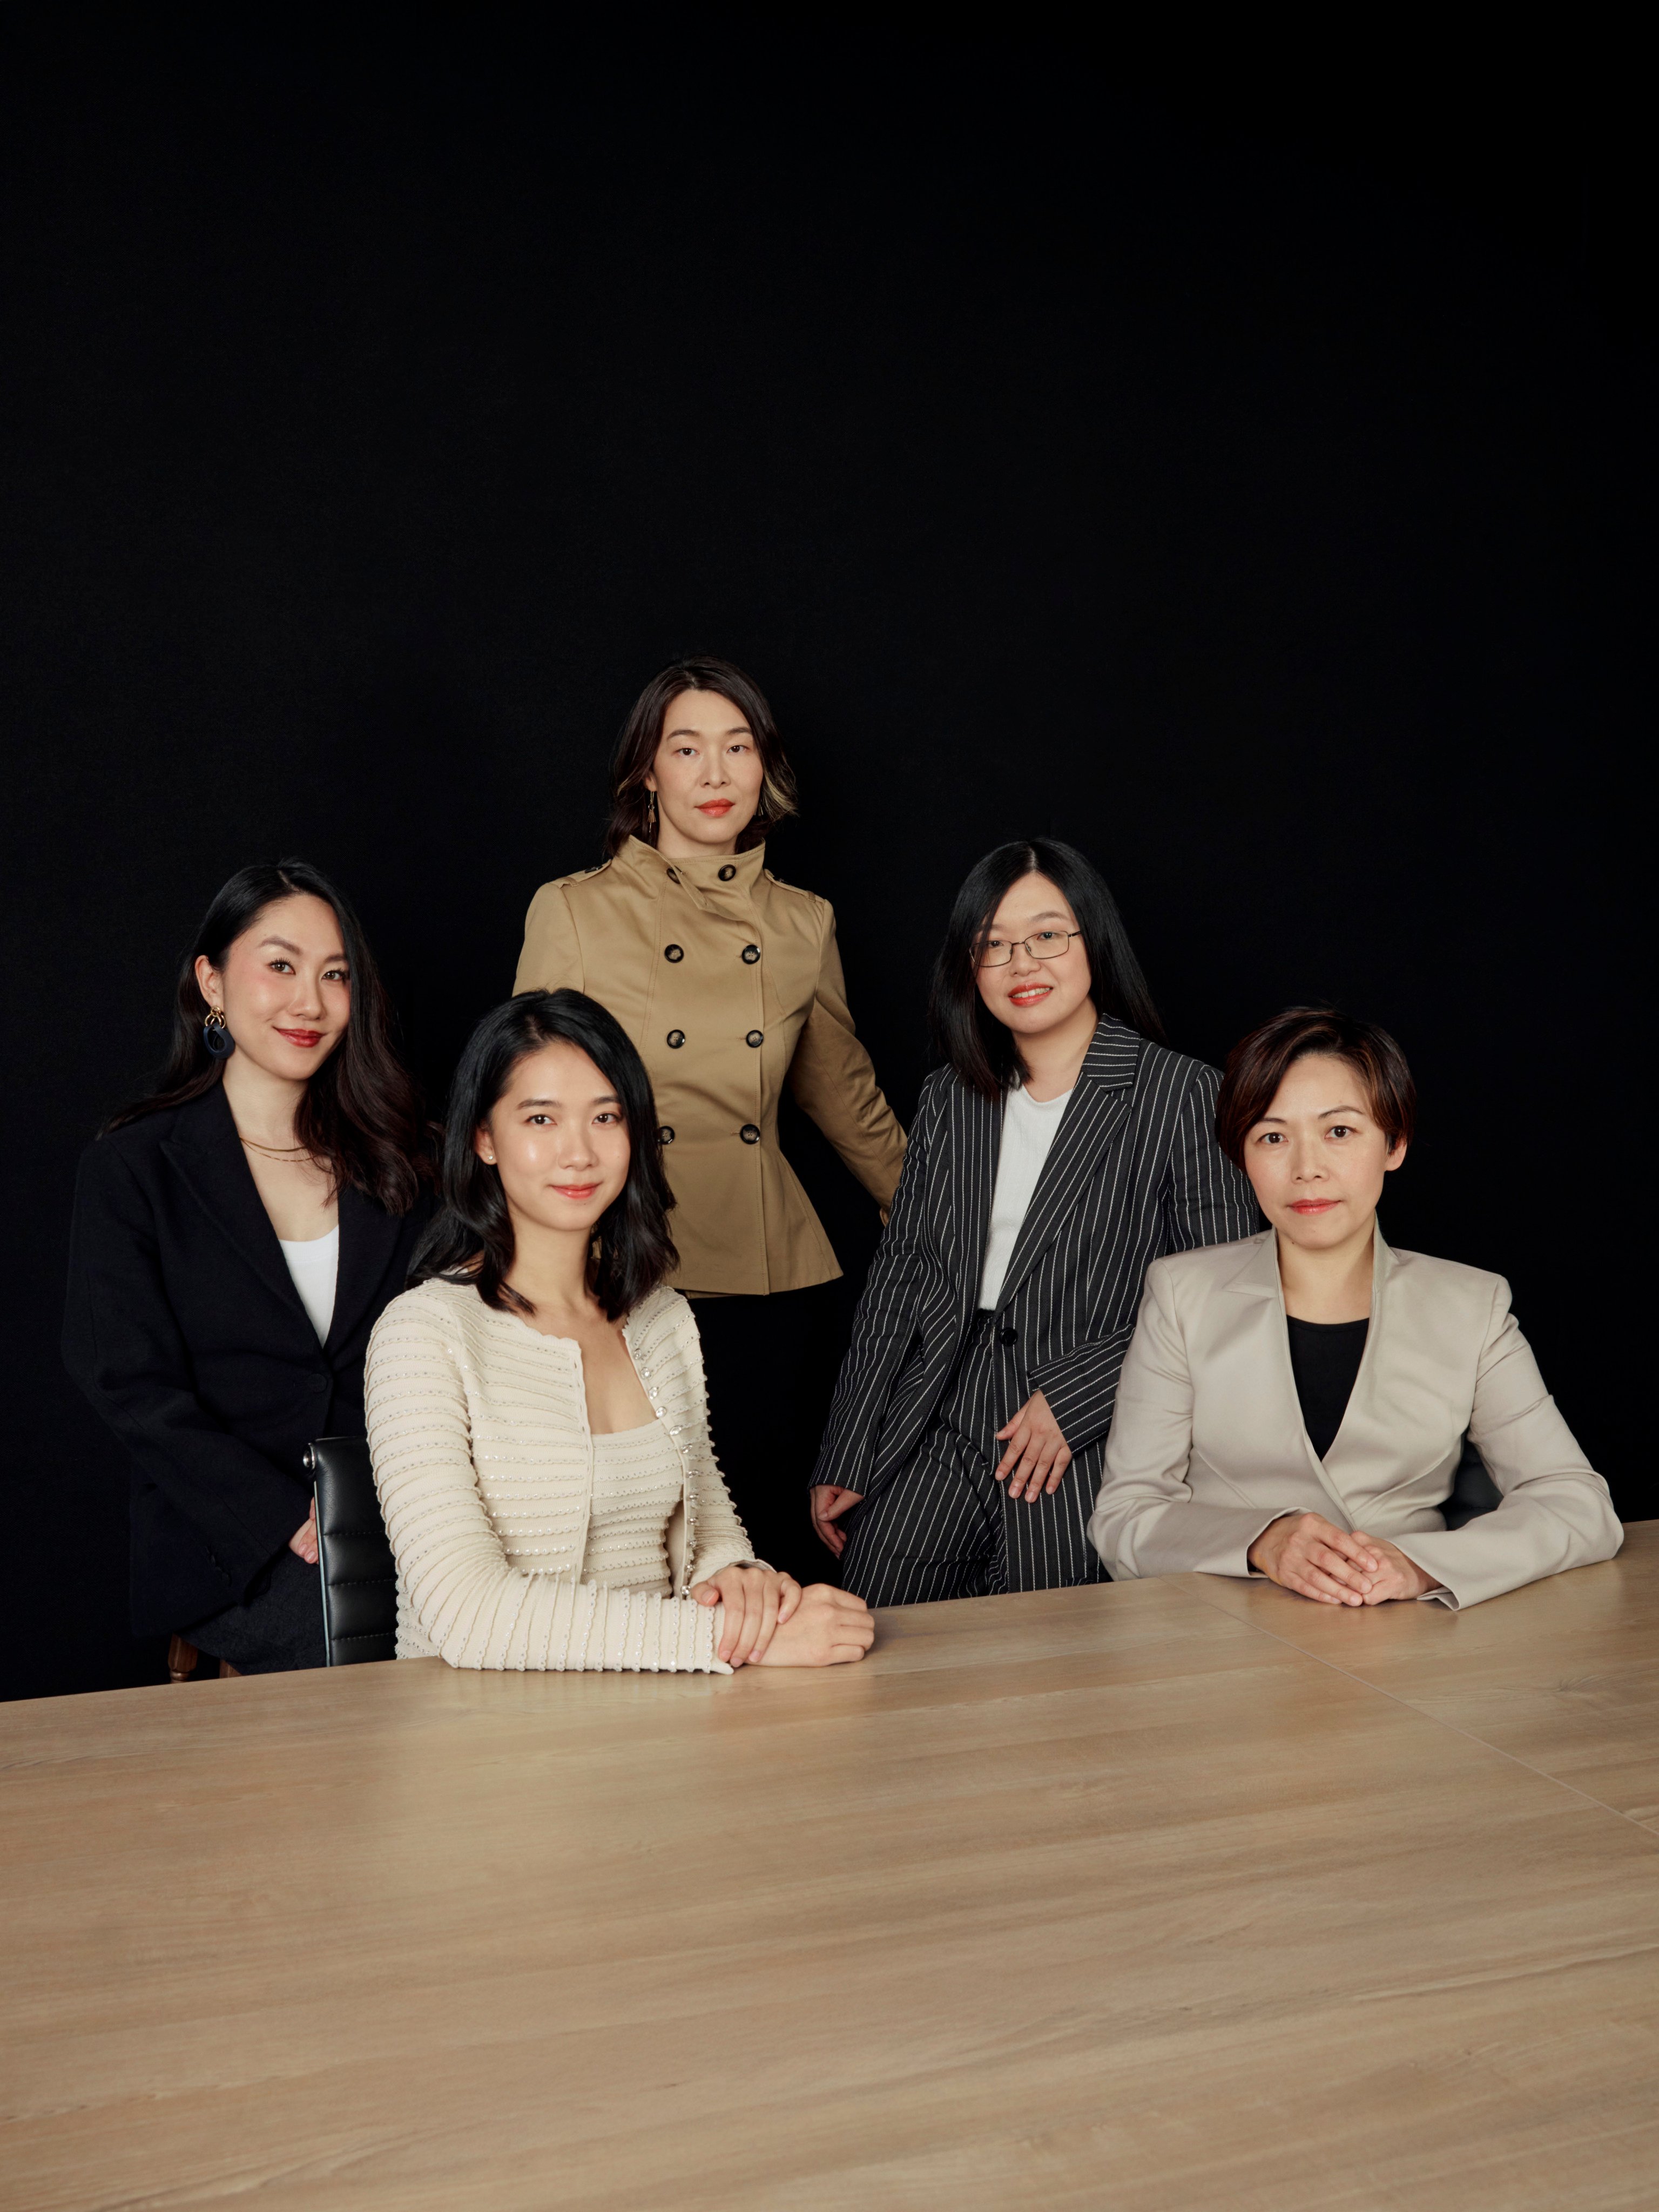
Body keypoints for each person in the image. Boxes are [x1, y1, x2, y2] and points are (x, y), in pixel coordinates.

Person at [512, 657, 905, 1580]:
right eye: (687, 749)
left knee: (762, 1542)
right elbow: (524, 1095)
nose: (717, 773)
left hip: (766, 1276)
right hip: (621, 1265)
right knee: (631, 1548)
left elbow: (841, 1093)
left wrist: (937, 1209)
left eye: (739, 748)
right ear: (647, 771)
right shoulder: (572, 911)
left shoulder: (804, 923)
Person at [364, 989, 875, 1673]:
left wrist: (743, 1580)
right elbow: (466, 1613)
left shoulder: (662, 1318)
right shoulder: (423, 1333)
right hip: (481, 1738)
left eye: (605, 1117)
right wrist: (724, 1640)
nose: (579, 1153)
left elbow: (707, 1529)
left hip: (658, 1709)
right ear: (484, 1137)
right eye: (541, 1118)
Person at [811, 838, 1259, 1603]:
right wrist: (849, 1450)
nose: (1023, 964)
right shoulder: (950, 1099)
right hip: (941, 1411)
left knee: (1051, 1665)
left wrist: (1078, 1396)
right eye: (993, 946)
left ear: (1093, 939)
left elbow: (1224, 1293)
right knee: (875, 1626)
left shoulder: (1182, 1094)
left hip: (1089, 1428)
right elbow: (898, 1284)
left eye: (1048, 936)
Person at [1090, 1008, 1621, 1608]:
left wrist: (1424, 1566)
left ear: (1394, 1143)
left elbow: (1577, 1504)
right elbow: (1124, 1519)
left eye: (1339, 1132)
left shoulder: (1472, 1305)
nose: (1306, 1168)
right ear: (1241, 1156)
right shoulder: (1181, 1293)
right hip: (1223, 1650)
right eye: (1272, 1136)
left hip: (1408, 1646)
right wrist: (1260, 1540)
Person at [63, 860, 433, 1675]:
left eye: (334, 975)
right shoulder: (134, 1168)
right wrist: (281, 1516)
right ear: (212, 982)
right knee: (376, 1665)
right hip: (231, 1542)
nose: (310, 1001)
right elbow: (127, 1380)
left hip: (407, 1521)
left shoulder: (406, 1163)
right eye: (281, 966)